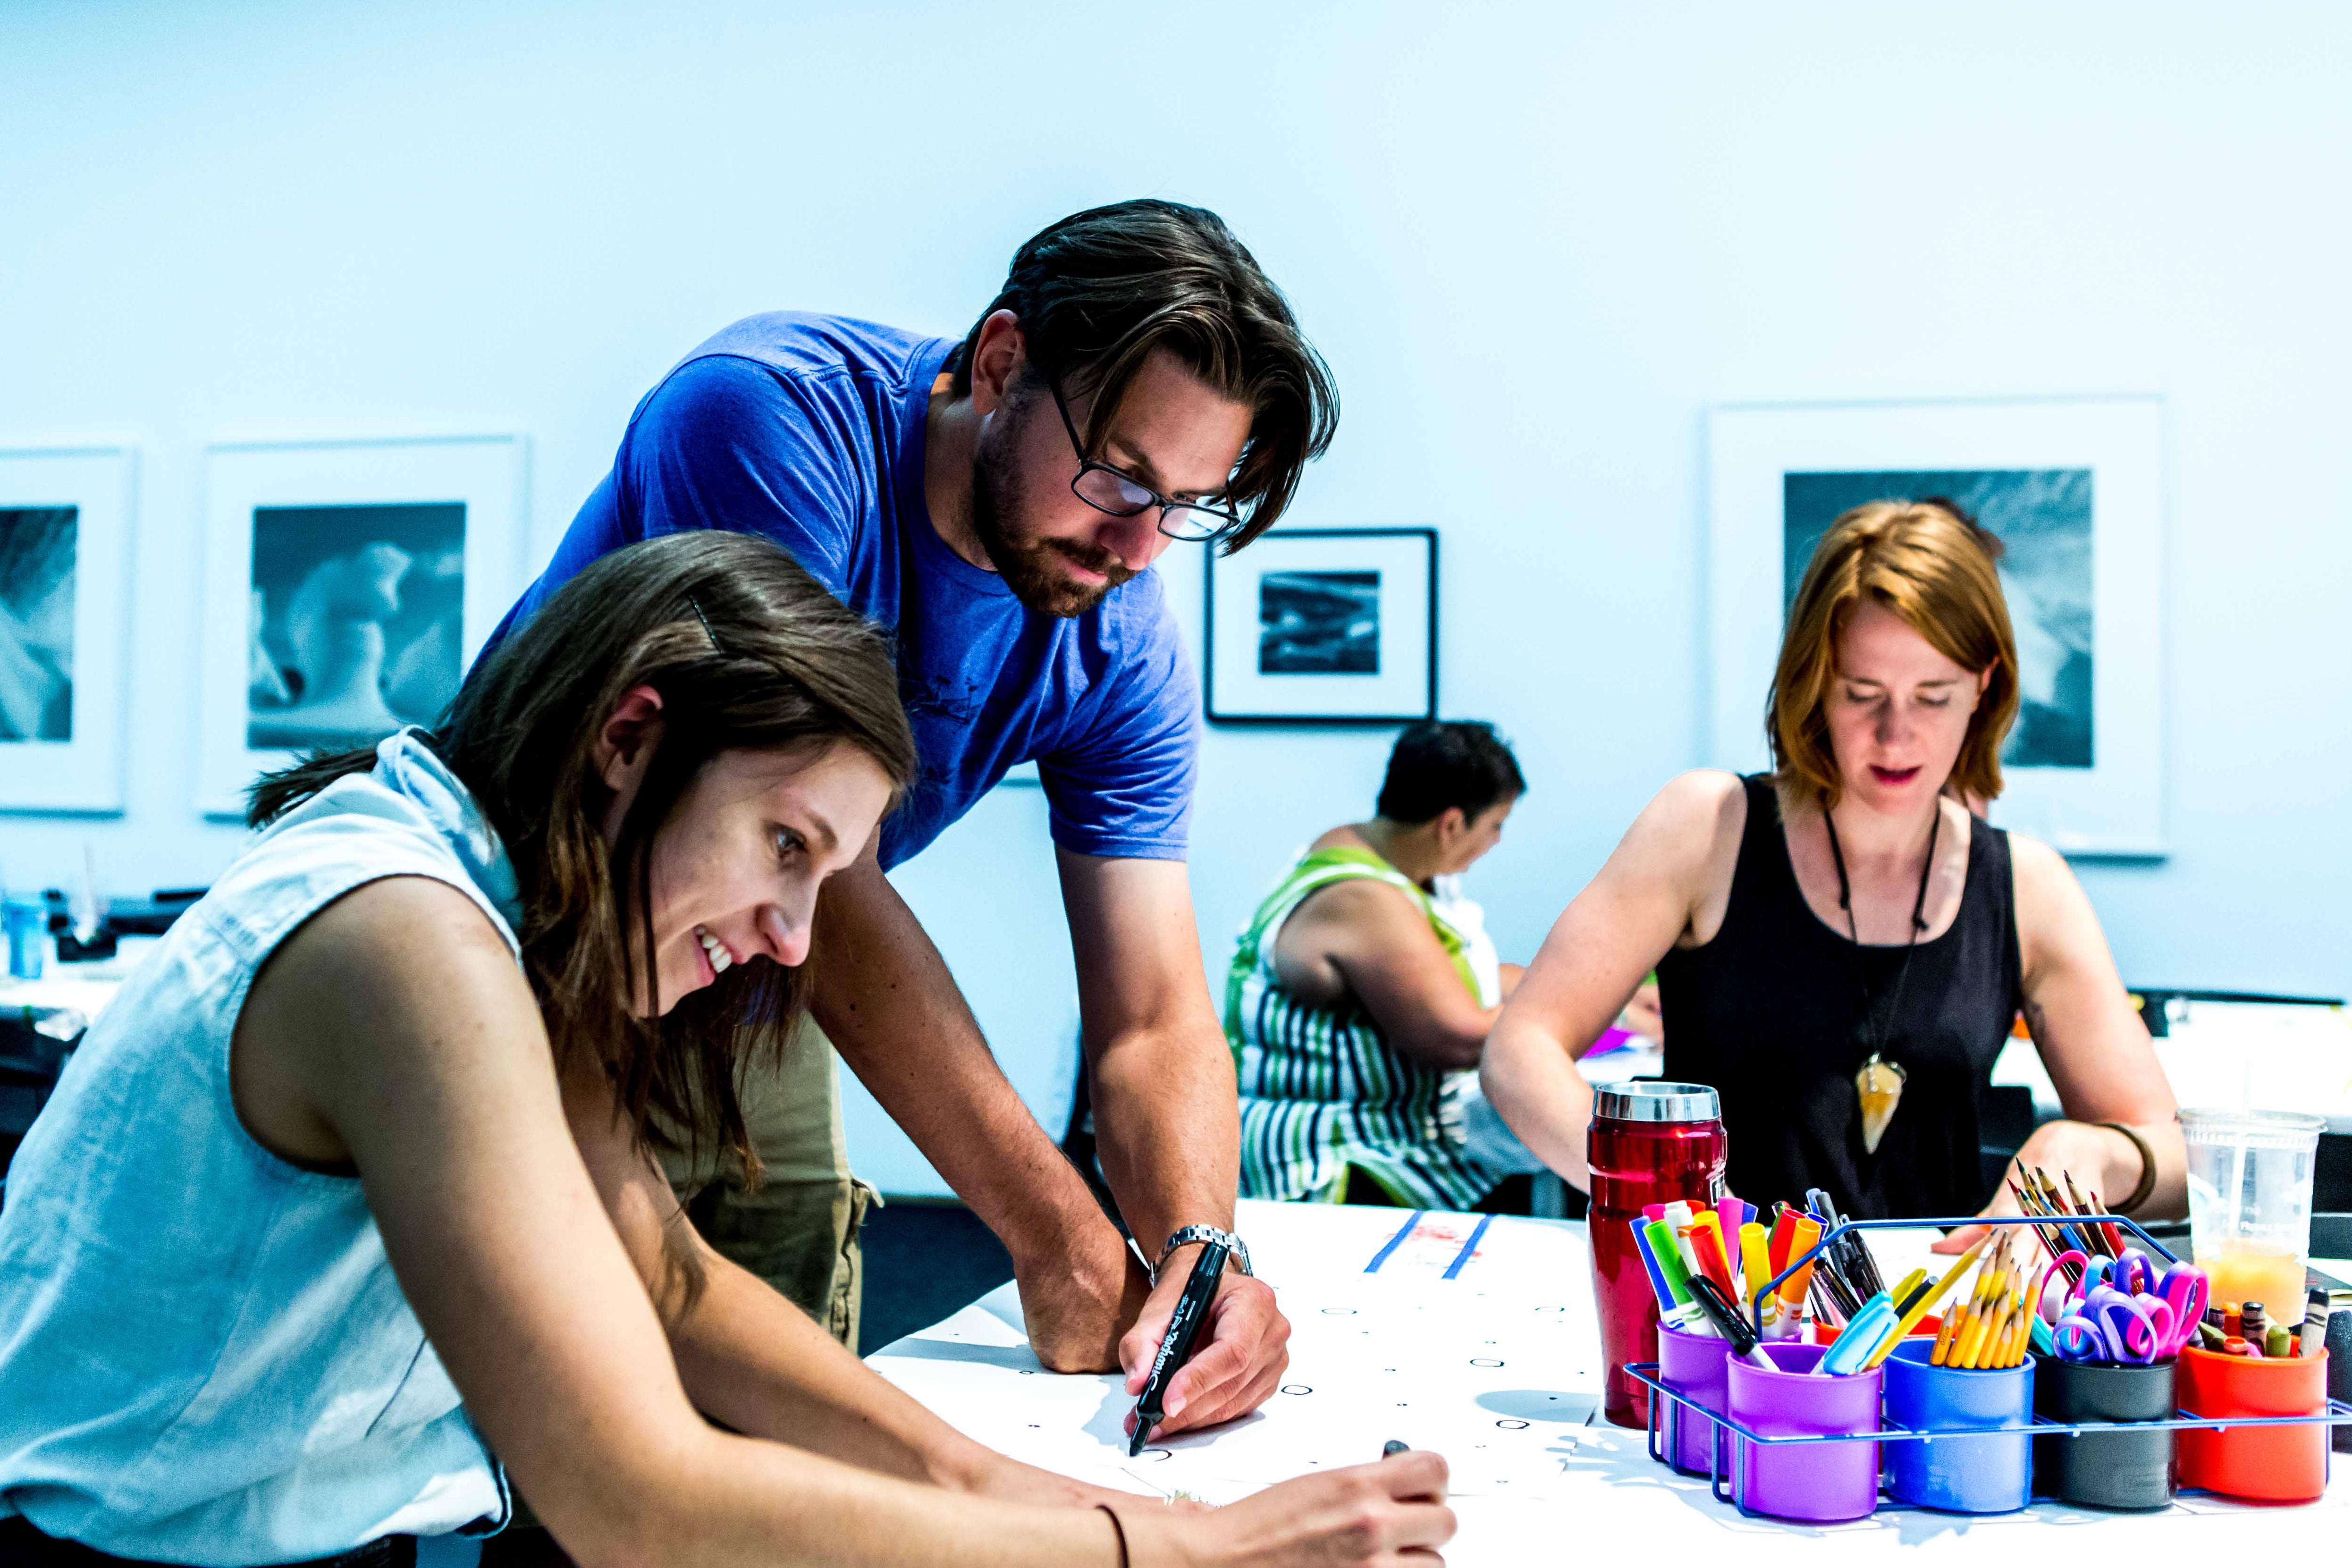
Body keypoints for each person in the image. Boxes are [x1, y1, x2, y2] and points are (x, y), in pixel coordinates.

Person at [0, 533, 1455, 1568]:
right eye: (782, 847)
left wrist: (1024, 1496)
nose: (787, 939)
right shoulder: (405, 938)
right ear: (631, 737)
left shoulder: (491, 911)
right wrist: (1164, 1555)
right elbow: (640, 1503)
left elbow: (673, 1285)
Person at [493, 200, 1337, 1429]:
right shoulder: (770, 418)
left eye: (1185, 509)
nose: (1138, 546)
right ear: (998, 364)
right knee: (562, 1386)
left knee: (778, 1375)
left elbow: (1153, 1014)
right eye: (1115, 476)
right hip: (545, 922)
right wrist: (1054, 1232)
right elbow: (786, 840)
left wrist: (1197, 1258)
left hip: (755, 950)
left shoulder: (1121, 646)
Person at [1481, 500, 2186, 1243]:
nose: (1895, 734)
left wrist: (2080, 1152)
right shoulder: (1708, 828)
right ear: (1814, 681)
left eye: (1932, 697)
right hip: (1723, 1322)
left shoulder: (2026, 886)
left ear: (1984, 685)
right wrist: (1661, 1203)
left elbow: (2170, 1157)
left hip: (1932, 1337)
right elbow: (1520, 1049)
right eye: (1862, 694)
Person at [1229, 721, 1553, 1210]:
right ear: (1451, 825)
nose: (1497, 841)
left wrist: (1617, 1003)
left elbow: (1458, 978)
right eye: (1496, 825)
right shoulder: (1363, 898)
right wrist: (1576, 1009)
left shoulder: (1364, 850)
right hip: (1337, 1158)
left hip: (1382, 1134)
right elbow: (1456, 1037)